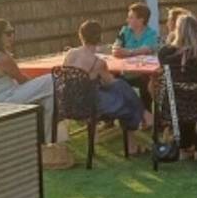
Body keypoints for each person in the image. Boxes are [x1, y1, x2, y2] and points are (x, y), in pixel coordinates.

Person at [61, 21, 153, 151]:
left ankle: (144, 115)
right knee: (125, 100)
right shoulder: (98, 63)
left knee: (121, 89)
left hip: (69, 102)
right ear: (100, 37)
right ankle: (134, 140)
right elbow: (111, 82)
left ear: (80, 35)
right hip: (90, 105)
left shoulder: (70, 54)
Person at [0, 18, 66, 143]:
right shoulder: (2, 58)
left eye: (13, 32)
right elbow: (22, 80)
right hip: (8, 100)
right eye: (8, 33)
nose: (12, 36)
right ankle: (50, 137)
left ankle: (51, 138)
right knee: (51, 79)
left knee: (49, 98)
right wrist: (37, 85)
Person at [157, 13, 197, 157]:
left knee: (182, 100)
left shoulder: (164, 52)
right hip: (195, 98)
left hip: (171, 101)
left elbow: (165, 71)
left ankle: (185, 146)